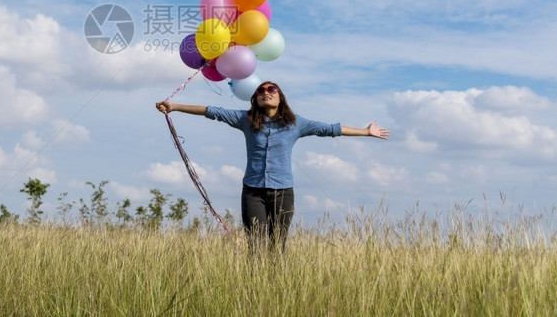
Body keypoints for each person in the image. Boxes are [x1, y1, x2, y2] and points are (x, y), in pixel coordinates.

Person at [156, 81, 390, 251]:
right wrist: (175, 106)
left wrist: (366, 132)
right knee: (255, 245)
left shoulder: (297, 123)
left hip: (283, 191)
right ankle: (254, 289)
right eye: (260, 91)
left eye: (271, 90)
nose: (265, 93)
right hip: (253, 191)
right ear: (255, 99)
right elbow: (212, 111)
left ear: (280, 97)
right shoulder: (245, 120)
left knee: (277, 244)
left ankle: (276, 288)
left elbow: (331, 129)